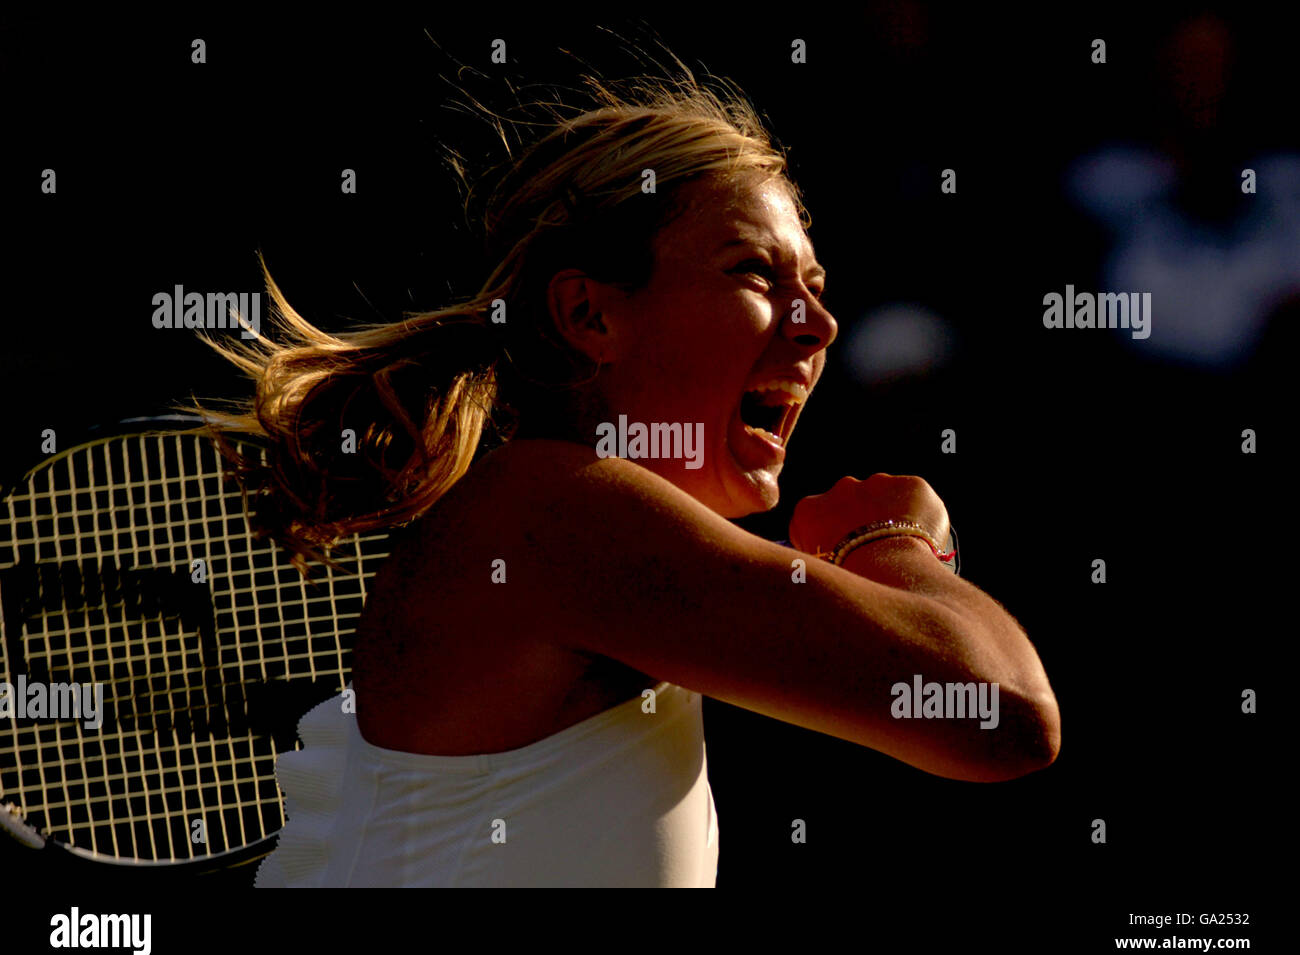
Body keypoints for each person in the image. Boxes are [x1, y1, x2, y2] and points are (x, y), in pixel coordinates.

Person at [192, 67, 1060, 887]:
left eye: (817, 285)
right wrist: (895, 542)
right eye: (754, 272)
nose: (819, 324)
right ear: (588, 315)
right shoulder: (552, 511)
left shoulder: (552, 534)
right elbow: (1002, 715)